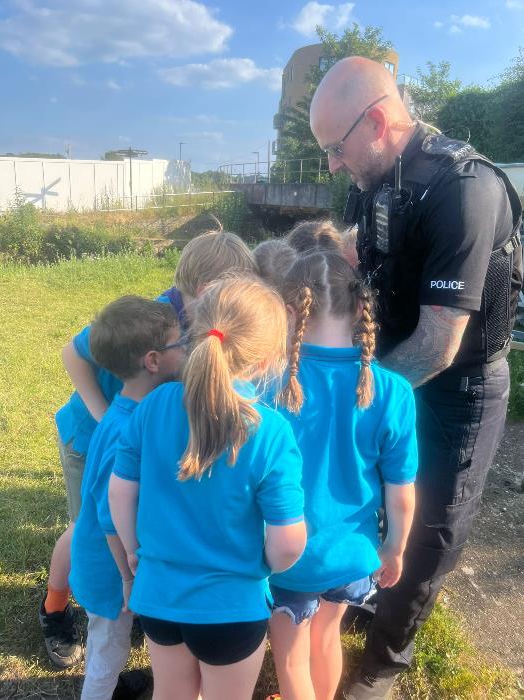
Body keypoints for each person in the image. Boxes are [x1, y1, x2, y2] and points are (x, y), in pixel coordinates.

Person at [309, 56, 523, 699]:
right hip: (395, 364)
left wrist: (349, 402)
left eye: (334, 148)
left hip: (459, 384)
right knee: (379, 489)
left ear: (376, 121)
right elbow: (360, 244)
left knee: (434, 521)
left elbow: (437, 344)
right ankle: (371, 590)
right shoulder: (378, 172)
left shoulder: (464, 189)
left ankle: (383, 662)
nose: (332, 166)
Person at [39, 229, 257, 668]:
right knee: (86, 527)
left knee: (121, 523)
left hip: (133, 442)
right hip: (92, 438)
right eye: (230, 293)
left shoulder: (202, 327)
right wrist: (107, 419)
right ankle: (54, 607)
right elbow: (72, 353)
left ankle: (127, 594)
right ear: (205, 290)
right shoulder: (150, 321)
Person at [109, 276, 308, 700]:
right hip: (232, 608)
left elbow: (120, 492)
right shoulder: (271, 432)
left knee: (170, 694)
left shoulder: (153, 406)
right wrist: (266, 565)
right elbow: (288, 544)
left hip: (159, 597)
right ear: (269, 359)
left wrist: (131, 549)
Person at [266, 251, 417, 700]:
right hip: (352, 557)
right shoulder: (394, 390)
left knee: (290, 657)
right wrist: (394, 549)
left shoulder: (267, 383)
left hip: (286, 557)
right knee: (326, 637)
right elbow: (402, 492)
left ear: (289, 312)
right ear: (358, 307)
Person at [69, 296, 186, 700]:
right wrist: (127, 578)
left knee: (111, 646)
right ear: (153, 361)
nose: (186, 347)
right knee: (107, 653)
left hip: (109, 565)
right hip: (108, 571)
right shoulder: (127, 429)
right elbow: (107, 516)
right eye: (180, 342)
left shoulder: (132, 410)